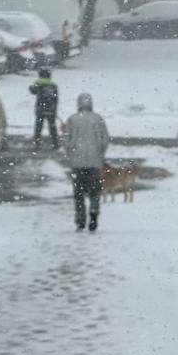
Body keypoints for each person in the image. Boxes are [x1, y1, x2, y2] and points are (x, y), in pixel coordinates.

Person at [65, 92, 110, 232]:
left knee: (78, 194)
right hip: (94, 163)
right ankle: (94, 214)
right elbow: (105, 140)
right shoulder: (98, 120)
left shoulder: (72, 120)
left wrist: (70, 154)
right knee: (94, 192)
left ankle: (80, 220)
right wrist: (100, 154)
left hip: (77, 163)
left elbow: (68, 141)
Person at [29, 67, 60, 149]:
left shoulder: (38, 83)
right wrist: (55, 109)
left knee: (38, 126)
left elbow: (33, 91)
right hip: (51, 109)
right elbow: (56, 99)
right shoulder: (53, 85)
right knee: (52, 127)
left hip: (41, 108)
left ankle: (37, 143)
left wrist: (31, 87)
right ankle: (55, 143)